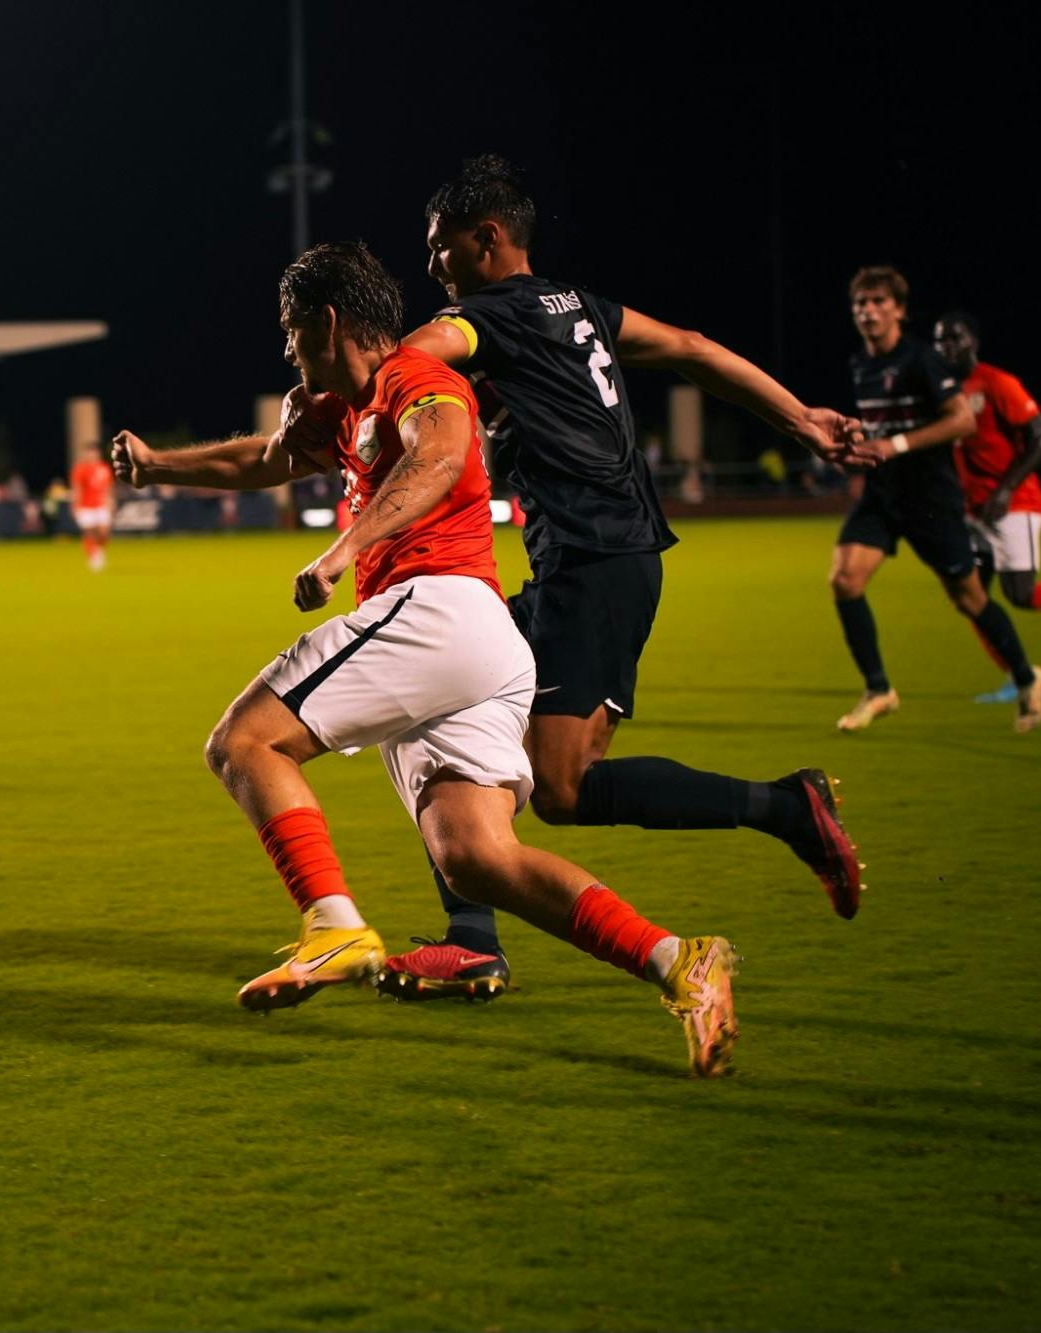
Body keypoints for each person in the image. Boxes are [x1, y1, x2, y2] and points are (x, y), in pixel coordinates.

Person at [113, 241, 740, 1076]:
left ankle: (332, 922)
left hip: (438, 609)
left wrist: (343, 550)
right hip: (476, 649)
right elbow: (262, 459)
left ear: (326, 322)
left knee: (244, 743)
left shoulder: (418, 377)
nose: (289, 352)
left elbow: (440, 458)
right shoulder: (340, 408)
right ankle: (680, 961)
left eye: (292, 334)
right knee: (477, 858)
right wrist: (157, 466)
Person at [327, 156, 863, 1001]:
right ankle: (471, 938)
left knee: (564, 789)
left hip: (594, 560)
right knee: (440, 685)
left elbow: (416, 356)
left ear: (486, 239)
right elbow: (689, 348)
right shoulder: (581, 308)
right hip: (594, 557)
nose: (432, 265)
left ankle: (788, 806)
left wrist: (347, 381)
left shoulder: (483, 317)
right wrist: (801, 418)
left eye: (440, 248)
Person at [830, 270, 1041, 732]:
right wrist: (853, 446)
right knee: (845, 581)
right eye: (859, 303)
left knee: (968, 599)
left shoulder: (923, 360)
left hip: (931, 500)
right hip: (883, 495)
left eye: (877, 301)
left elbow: (963, 422)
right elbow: (880, 432)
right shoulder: (861, 365)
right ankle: (878, 689)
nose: (866, 310)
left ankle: (1028, 678)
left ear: (899, 310)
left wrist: (897, 445)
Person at [932, 312, 1041, 704]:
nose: (947, 347)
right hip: (974, 512)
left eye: (955, 338)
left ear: (973, 340)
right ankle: (1019, 677)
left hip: (1014, 504)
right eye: (940, 340)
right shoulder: (943, 392)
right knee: (968, 595)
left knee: (1021, 594)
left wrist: (1006, 490)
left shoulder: (997, 383)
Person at [70, 441, 115, 571]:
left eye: (94, 453)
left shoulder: (104, 468)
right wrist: (75, 505)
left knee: (103, 533)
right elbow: (77, 489)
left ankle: (99, 551)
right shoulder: (80, 469)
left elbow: (108, 488)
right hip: (85, 506)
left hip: (101, 505)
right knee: (89, 533)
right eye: (90, 453)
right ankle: (93, 556)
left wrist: (111, 502)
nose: (92, 455)